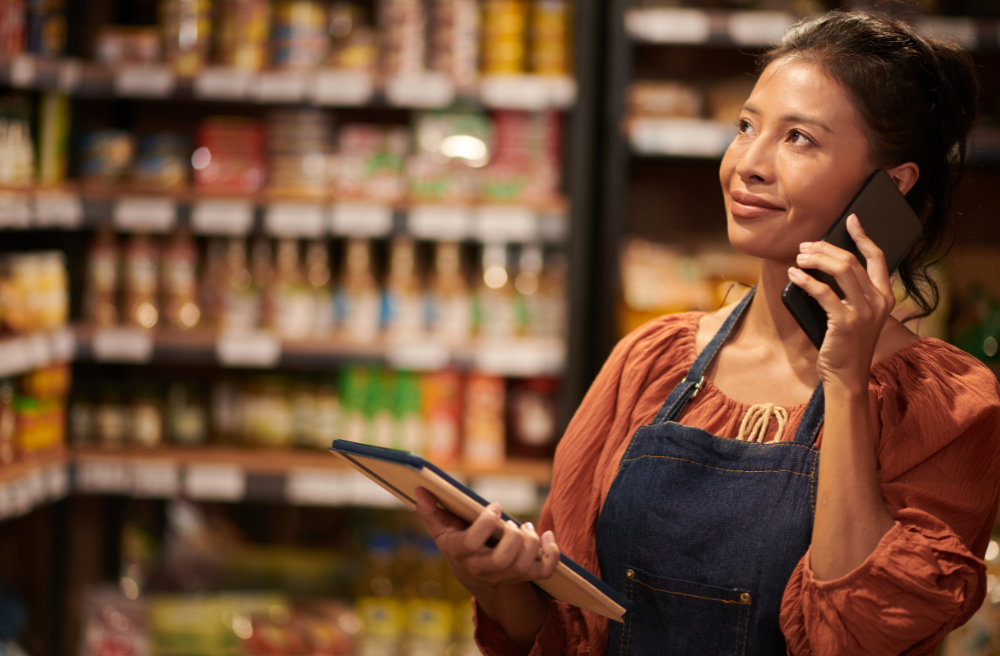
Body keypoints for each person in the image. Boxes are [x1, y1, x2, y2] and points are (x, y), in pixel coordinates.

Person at [415, 11, 1000, 655]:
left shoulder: (945, 405)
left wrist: (846, 384)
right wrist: (494, 580)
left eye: (799, 138)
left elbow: (855, 634)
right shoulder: (651, 360)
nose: (748, 164)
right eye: (746, 127)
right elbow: (568, 632)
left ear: (889, 188)